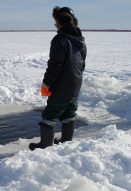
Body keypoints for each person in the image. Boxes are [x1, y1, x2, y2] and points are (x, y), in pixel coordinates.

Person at [29, 6, 87, 151]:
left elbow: (55, 66)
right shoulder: (80, 40)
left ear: (60, 23)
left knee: (50, 113)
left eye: (56, 23)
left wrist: (46, 84)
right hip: (75, 85)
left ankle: (45, 145)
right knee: (69, 112)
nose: (56, 26)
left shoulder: (60, 40)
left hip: (61, 86)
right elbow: (82, 64)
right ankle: (66, 142)